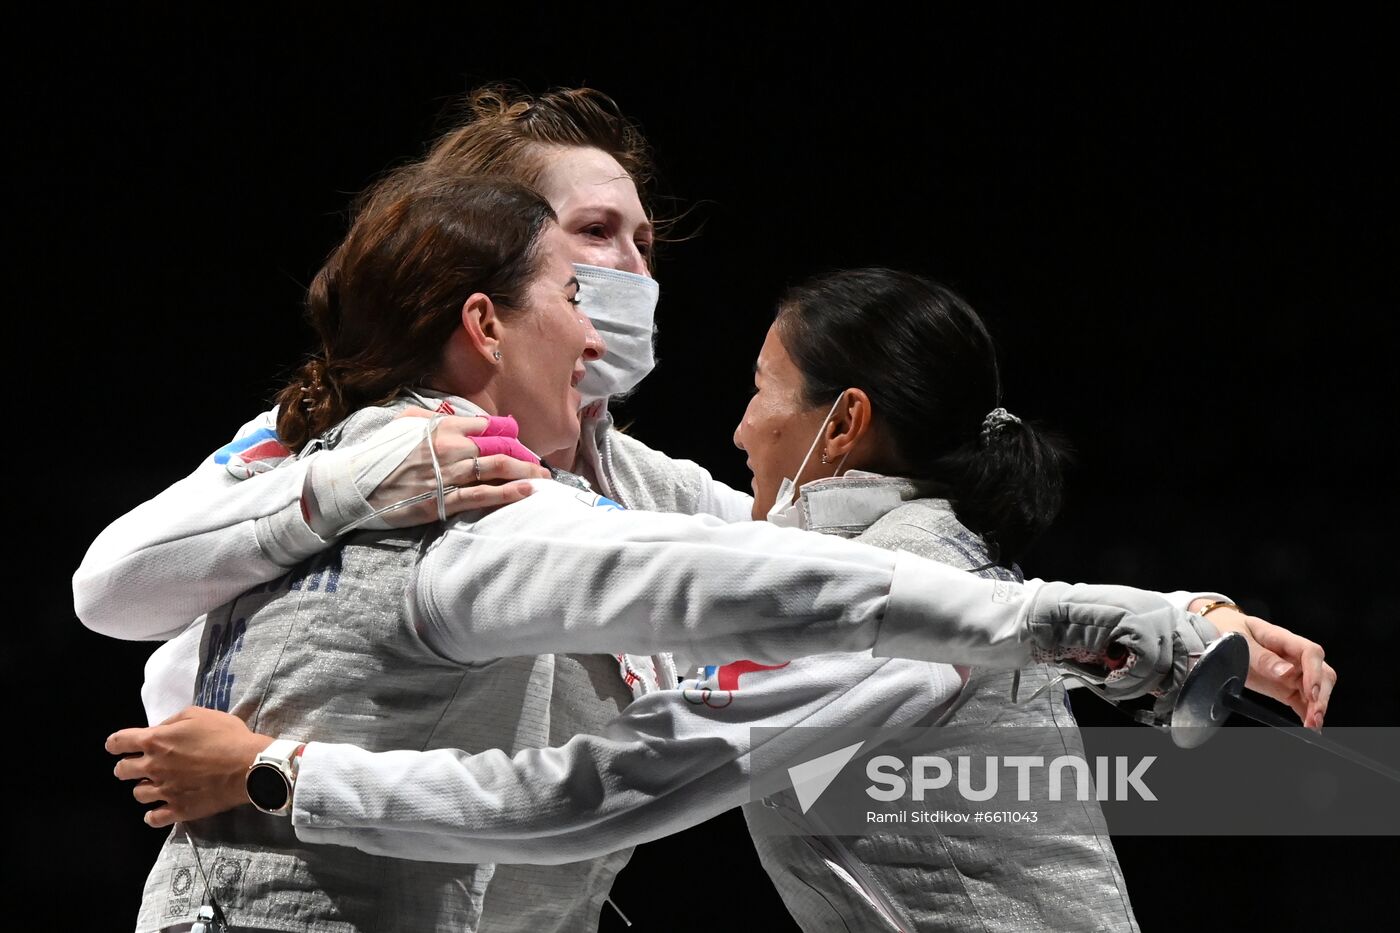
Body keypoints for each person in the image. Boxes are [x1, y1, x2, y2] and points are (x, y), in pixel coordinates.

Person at [80, 86, 1331, 932]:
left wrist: (1162, 613)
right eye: (589, 237)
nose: (625, 273)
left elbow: (825, 586)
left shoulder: (640, 491)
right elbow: (111, 589)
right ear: (488, 287)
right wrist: (335, 489)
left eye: (638, 239)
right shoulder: (362, 452)